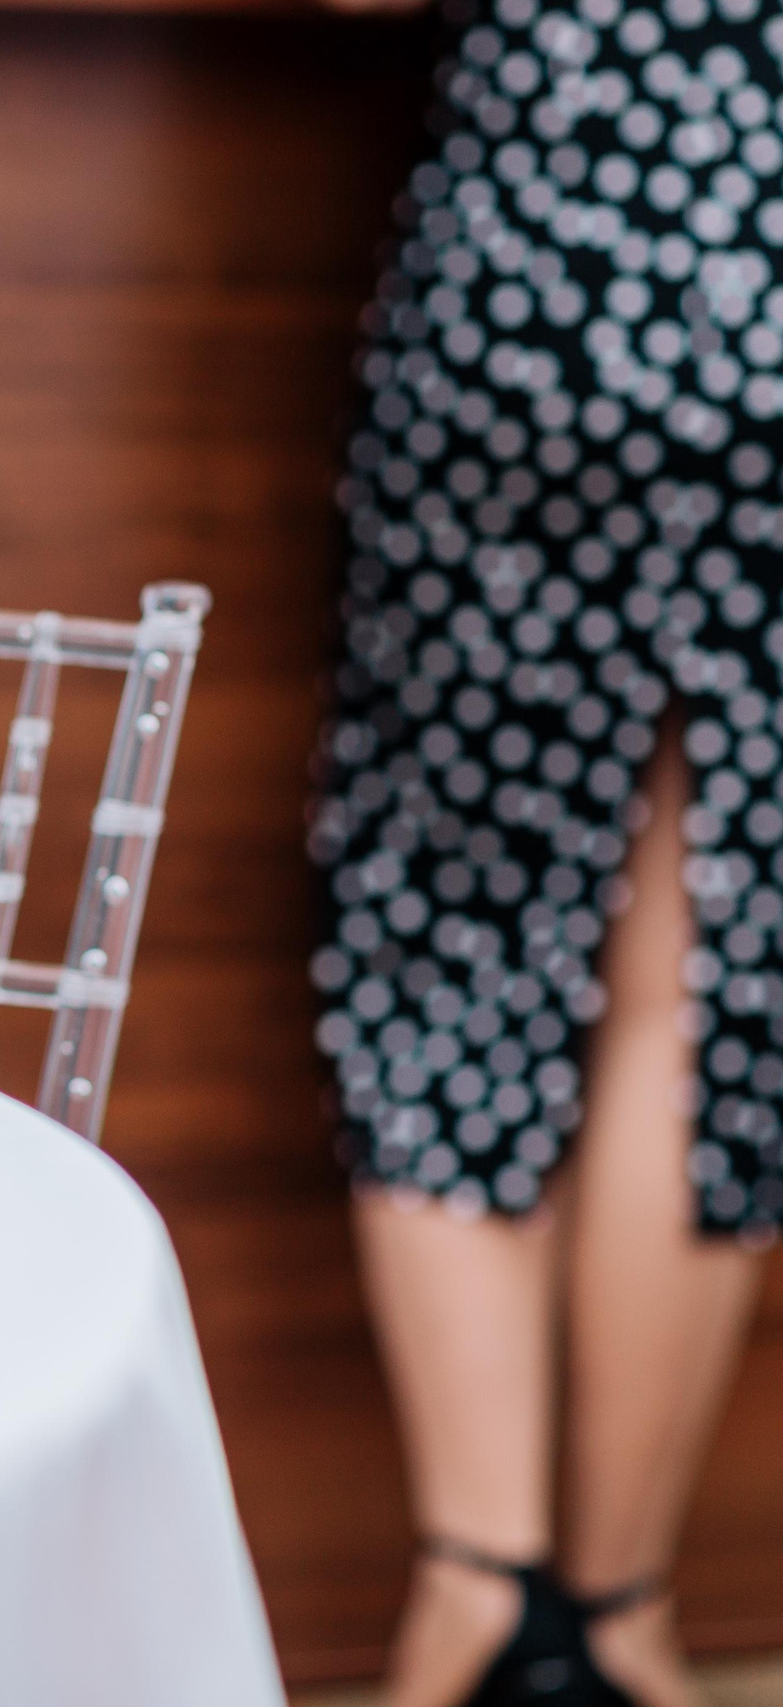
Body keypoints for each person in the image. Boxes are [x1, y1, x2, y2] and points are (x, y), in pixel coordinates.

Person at [310, 2, 781, 1703]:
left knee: (455, 930)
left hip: (539, 297)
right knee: (706, 964)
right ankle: (630, 1613)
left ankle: (480, 1584)